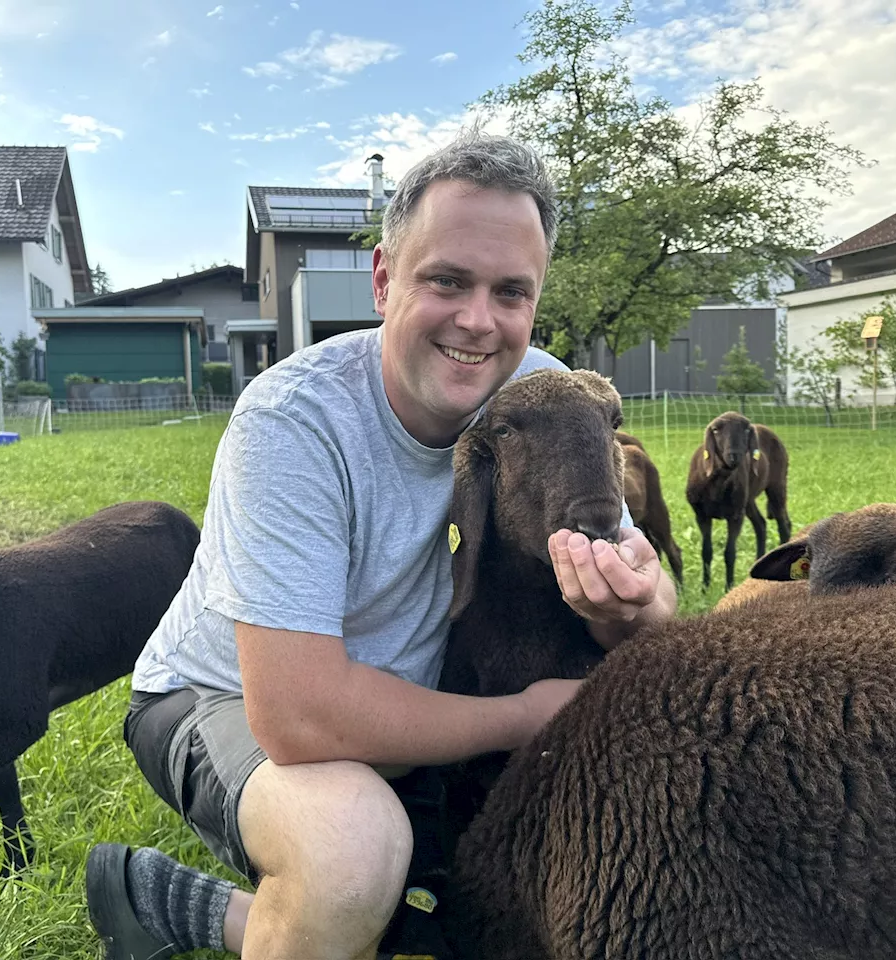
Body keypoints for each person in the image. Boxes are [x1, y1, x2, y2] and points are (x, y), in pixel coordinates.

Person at [84, 132, 678, 960]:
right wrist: (520, 719)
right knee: (353, 857)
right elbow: (297, 716)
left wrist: (634, 604)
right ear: (384, 280)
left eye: (511, 292)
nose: (479, 321)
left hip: (414, 690)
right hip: (220, 698)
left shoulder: (539, 394)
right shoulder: (293, 424)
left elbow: (649, 587)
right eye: (446, 281)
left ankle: (166, 903)